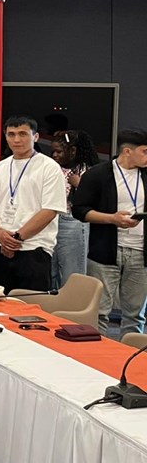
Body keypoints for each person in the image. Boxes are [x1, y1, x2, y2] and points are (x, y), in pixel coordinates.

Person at [72, 128, 147, 337]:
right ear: (127, 151)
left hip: (141, 253)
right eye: (144, 151)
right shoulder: (98, 174)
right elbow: (80, 210)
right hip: (105, 250)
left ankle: (130, 354)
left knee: (136, 315)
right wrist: (112, 219)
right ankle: (99, 354)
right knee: (99, 311)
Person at [0, 116, 67, 293]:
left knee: (32, 305)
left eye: (23, 134)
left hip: (33, 248)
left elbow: (50, 210)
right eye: (11, 134)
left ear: (36, 136)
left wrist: (16, 239)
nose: (17, 139)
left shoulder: (49, 167)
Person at [50, 130, 97, 289]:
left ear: (73, 151)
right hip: (50, 219)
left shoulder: (87, 171)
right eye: (53, 151)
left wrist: (79, 185)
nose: (55, 155)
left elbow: (96, 200)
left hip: (72, 220)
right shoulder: (52, 168)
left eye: (59, 152)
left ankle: (71, 303)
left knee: (71, 270)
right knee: (51, 270)